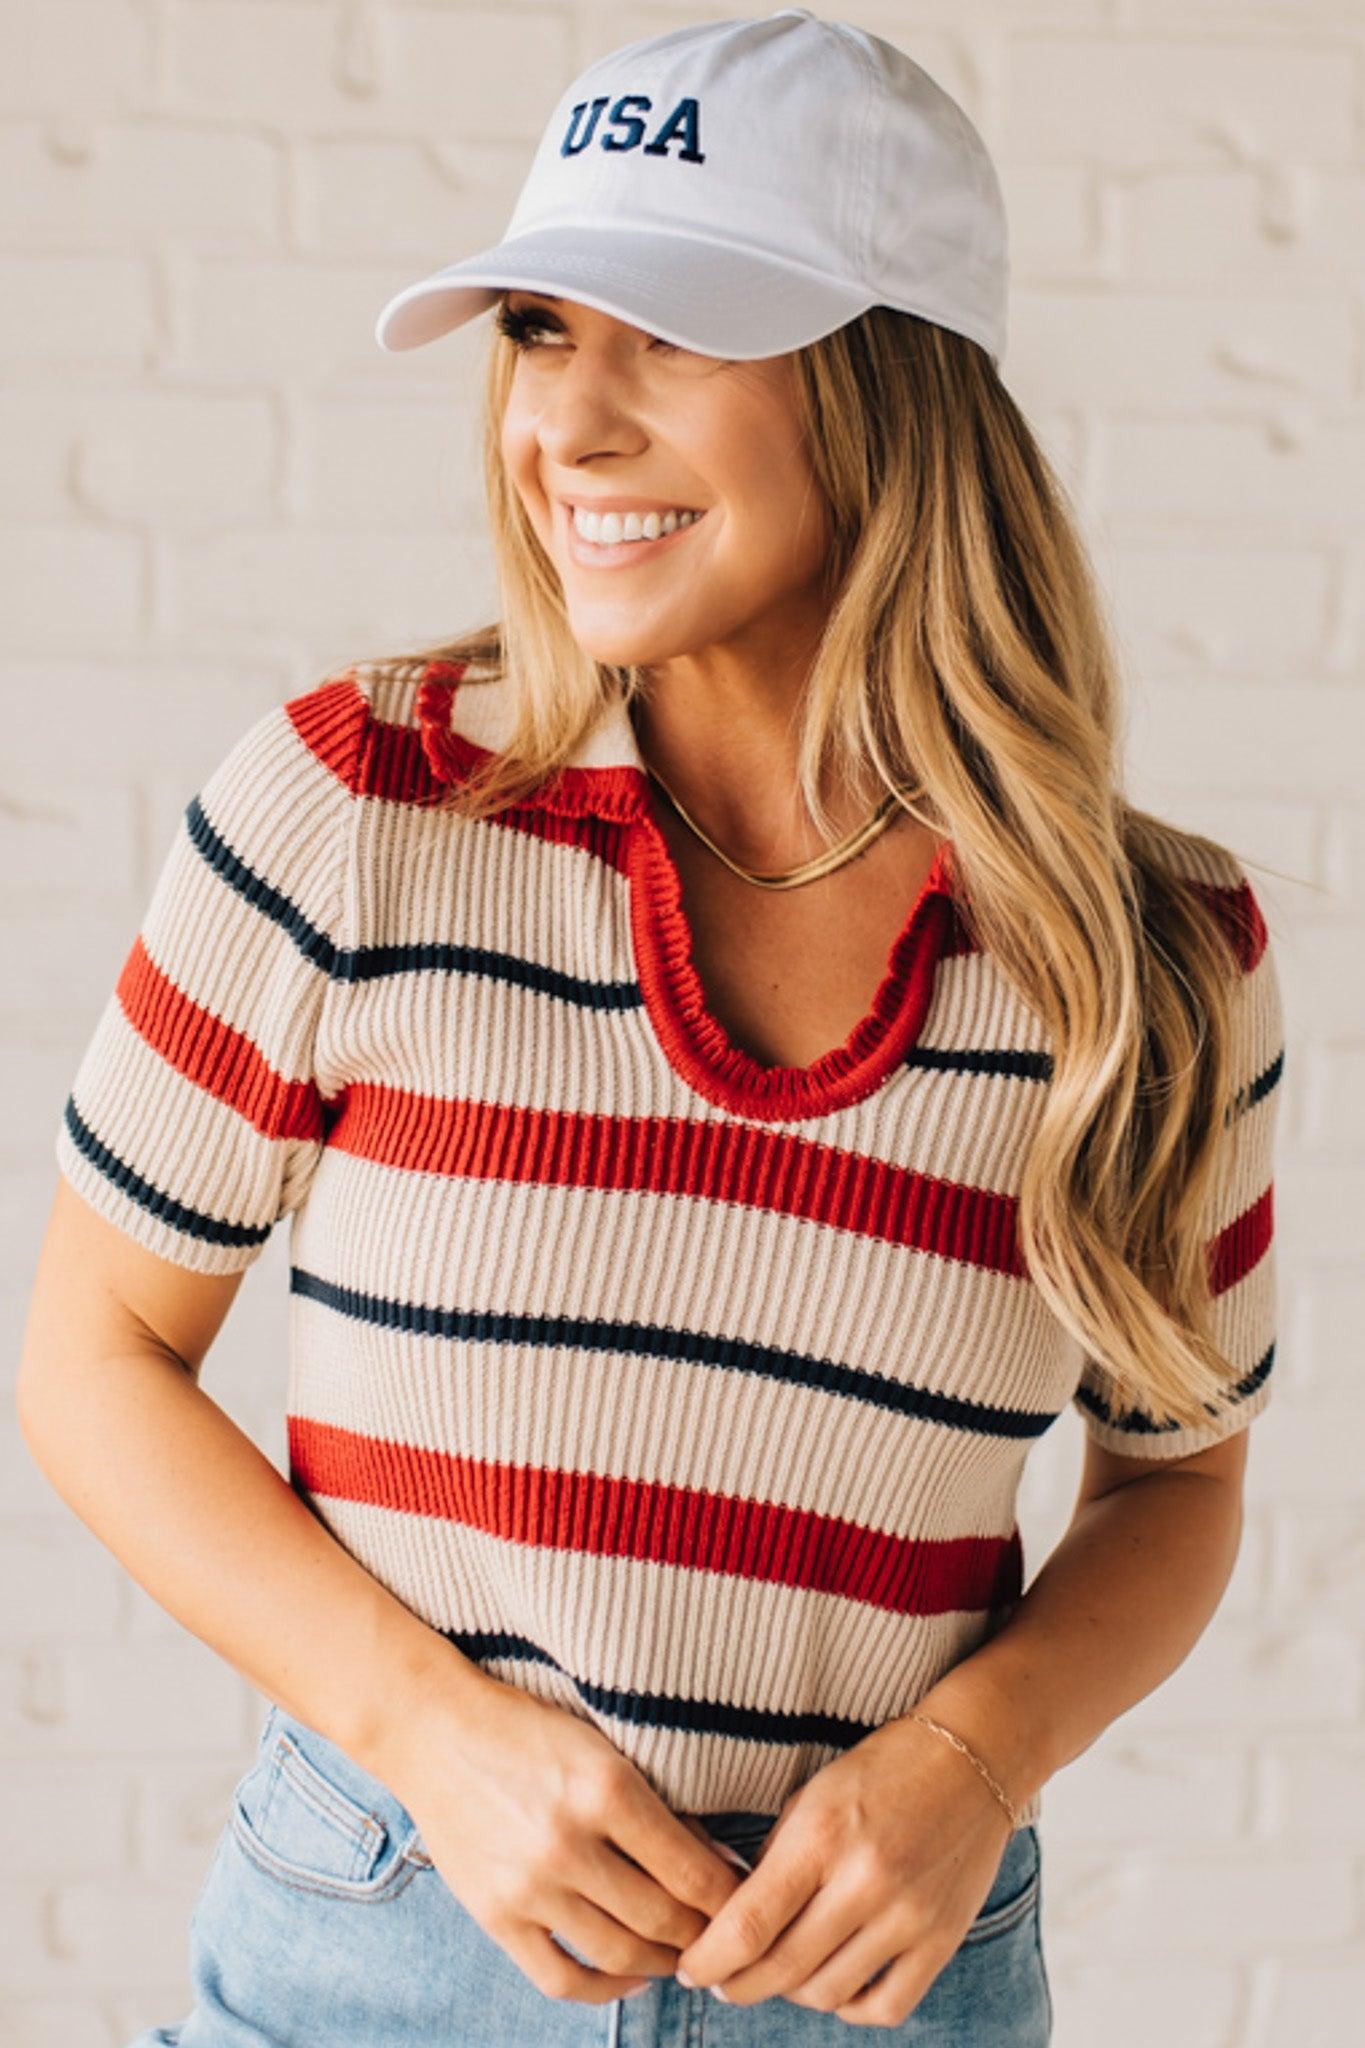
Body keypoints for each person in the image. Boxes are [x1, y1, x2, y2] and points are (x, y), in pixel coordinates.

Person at [17, 9, 1286, 2045]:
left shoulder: (1146, 954)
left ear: (890, 385)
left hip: (886, 1994)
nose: (568, 424)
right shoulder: (361, 809)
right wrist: (431, 1733)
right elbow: (93, 1358)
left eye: (670, 330)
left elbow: (1174, 1481)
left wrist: (967, 1766)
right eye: (536, 325)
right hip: (380, 1963)